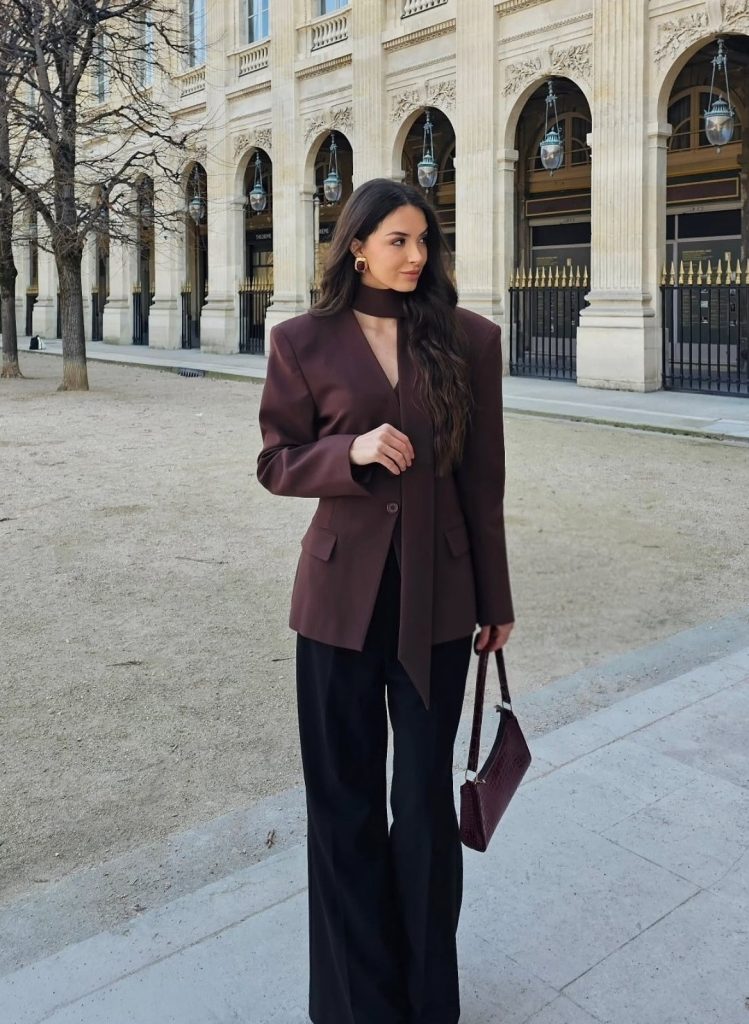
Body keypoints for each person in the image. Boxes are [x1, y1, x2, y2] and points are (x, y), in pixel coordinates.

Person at [257, 178, 514, 1024]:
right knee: (342, 803)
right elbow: (277, 463)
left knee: (424, 810)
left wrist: (495, 598)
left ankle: (425, 1000)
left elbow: (483, 485)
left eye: (423, 242)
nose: (414, 258)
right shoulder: (301, 340)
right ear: (356, 244)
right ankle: (354, 1003)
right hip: (335, 606)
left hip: (439, 604)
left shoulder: (470, 340)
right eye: (397, 241)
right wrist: (350, 450)